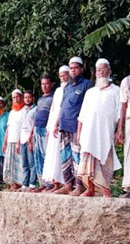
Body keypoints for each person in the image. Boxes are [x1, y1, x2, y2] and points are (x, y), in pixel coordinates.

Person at [76, 58, 122, 197]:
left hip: (105, 132)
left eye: (104, 69)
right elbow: (82, 115)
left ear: (109, 71)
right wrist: (79, 133)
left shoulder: (116, 90)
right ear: (95, 73)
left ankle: (106, 190)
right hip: (88, 132)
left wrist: (119, 130)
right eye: (99, 70)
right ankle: (90, 189)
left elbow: (120, 113)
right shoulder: (90, 92)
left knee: (105, 158)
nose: (101, 72)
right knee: (87, 158)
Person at [53, 56, 94, 195]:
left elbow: (89, 107)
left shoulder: (87, 85)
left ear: (82, 69)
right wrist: (56, 123)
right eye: (71, 68)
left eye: (76, 67)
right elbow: (62, 107)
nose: (73, 70)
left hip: (77, 126)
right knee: (65, 156)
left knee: (77, 157)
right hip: (64, 125)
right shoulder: (67, 87)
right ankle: (68, 184)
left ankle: (79, 186)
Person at [42, 66, 70, 192]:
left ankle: (66, 183)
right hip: (54, 125)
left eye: (65, 74)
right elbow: (53, 109)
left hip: (64, 124)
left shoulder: (70, 88)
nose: (63, 77)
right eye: (61, 75)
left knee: (62, 154)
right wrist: (50, 126)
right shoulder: (58, 90)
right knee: (53, 154)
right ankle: (56, 183)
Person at [31, 74, 55, 192]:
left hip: (46, 130)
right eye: (42, 84)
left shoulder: (54, 97)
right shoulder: (40, 99)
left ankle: (51, 184)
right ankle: (42, 183)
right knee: (38, 156)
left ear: (51, 84)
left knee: (47, 156)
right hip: (37, 130)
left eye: (47, 83)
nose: (44, 86)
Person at [3, 89, 26, 190]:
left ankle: (20, 183)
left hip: (19, 140)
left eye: (17, 97)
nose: (16, 99)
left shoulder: (25, 110)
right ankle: (13, 184)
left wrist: (19, 141)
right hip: (10, 141)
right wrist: (5, 142)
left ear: (21, 97)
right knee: (10, 164)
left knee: (20, 163)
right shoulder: (11, 112)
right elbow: (8, 128)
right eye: (13, 98)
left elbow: (24, 127)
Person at [19, 90, 37, 191]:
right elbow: (21, 126)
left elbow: (34, 125)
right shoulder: (23, 110)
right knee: (24, 163)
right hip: (22, 139)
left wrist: (31, 140)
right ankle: (24, 184)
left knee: (31, 163)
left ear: (32, 97)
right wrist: (18, 142)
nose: (27, 99)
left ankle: (32, 184)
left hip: (30, 139)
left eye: (29, 97)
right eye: (25, 97)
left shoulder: (35, 109)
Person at [118, 64, 130, 198]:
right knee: (129, 153)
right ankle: (129, 187)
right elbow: (123, 106)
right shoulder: (126, 81)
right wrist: (120, 128)